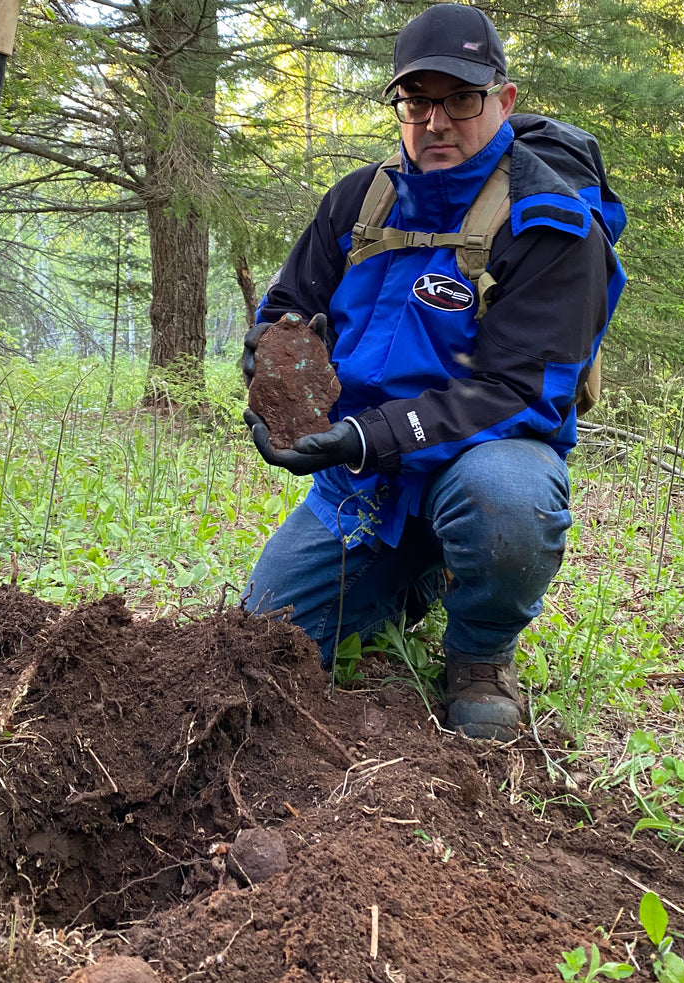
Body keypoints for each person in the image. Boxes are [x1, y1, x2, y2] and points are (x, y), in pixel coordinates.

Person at [241, 2, 626, 741]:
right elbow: (290, 304)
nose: (437, 121)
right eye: (417, 102)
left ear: (503, 100)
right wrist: (269, 358)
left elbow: (516, 391)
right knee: (261, 641)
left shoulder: (550, 222)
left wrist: (366, 437)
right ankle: (416, 574)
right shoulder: (359, 199)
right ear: (399, 105)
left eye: (462, 99)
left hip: (480, 459)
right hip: (363, 483)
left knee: (508, 499)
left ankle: (480, 651)